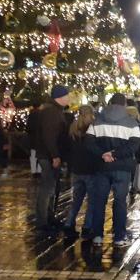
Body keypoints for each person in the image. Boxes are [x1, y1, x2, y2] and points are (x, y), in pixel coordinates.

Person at [85, 93, 140, 248]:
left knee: (99, 201)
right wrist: (115, 155)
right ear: (124, 105)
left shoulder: (97, 121)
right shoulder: (132, 123)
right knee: (120, 202)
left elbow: (88, 142)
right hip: (122, 168)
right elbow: (134, 145)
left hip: (101, 167)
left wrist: (102, 154)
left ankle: (97, 235)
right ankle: (119, 236)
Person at [34, 85, 72, 232]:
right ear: (59, 97)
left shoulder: (55, 111)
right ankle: (42, 221)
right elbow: (49, 136)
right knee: (47, 187)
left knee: (51, 187)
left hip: (49, 154)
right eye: (66, 95)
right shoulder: (51, 113)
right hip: (48, 155)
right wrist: (55, 155)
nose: (68, 98)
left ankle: (49, 217)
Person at [63, 105, 97, 240]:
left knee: (76, 199)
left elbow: (68, 149)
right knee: (91, 201)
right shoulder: (92, 128)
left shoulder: (73, 128)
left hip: (76, 169)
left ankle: (68, 224)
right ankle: (87, 227)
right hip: (90, 169)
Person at [26, 102, 42, 179]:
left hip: (32, 138)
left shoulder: (31, 114)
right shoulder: (41, 114)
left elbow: (28, 127)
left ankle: (33, 171)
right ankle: (39, 171)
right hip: (40, 138)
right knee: (40, 155)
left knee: (33, 155)